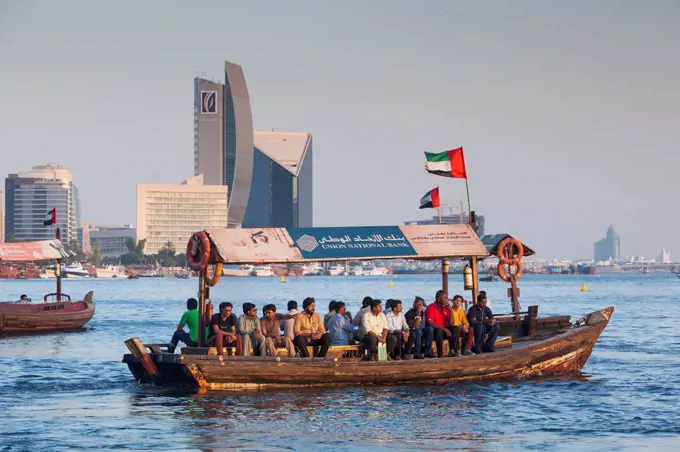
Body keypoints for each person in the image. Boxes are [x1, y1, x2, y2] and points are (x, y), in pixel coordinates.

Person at [424, 290, 453, 358]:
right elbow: (430, 323)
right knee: (439, 330)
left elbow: (451, 323)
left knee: (455, 328)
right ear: (438, 299)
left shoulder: (446, 308)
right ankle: (440, 353)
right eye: (445, 298)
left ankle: (453, 351)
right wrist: (444, 329)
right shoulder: (431, 307)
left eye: (447, 298)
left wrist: (451, 311)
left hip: (444, 331)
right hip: (434, 332)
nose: (447, 300)